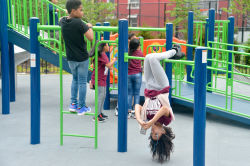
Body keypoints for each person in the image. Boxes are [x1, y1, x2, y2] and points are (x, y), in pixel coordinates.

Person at [135, 44, 185, 163]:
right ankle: (174, 51)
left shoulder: (147, 118)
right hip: (162, 87)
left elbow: (137, 106)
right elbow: (164, 109)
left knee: (147, 57)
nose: (153, 132)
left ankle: (173, 52)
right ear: (163, 132)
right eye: (156, 135)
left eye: (152, 135)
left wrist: (141, 121)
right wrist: (151, 122)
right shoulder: (165, 120)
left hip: (150, 87)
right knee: (153, 59)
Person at [59, 0, 93, 115]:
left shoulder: (63, 21)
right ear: (73, 11)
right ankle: (81, 107)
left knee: (75, 79)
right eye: (81, 9)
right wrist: (90, 27)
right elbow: (91, 37)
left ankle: (73, 104)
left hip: (70, 58)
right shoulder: (79, 23)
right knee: (82, 82)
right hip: (82, 58)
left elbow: (61, 18)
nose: (82, 12)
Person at [89, 43, 117, 122]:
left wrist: (111, 65)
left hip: (102, 78)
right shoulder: (102, 55)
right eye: (107, 45)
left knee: (103, 95)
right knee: (100, 96)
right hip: (99, 78)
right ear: (104, 46)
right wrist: (114, 60)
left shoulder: (103, 54)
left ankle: (100, 113)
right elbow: (108, 65)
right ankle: (96, 116)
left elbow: (107, 66)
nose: (108, 46)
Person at [115, 33, 138, 116]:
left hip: (132, 72)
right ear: (128, 40)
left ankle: (129, 109)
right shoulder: (124, 48)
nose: (136, 40)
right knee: (123, 90)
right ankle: (119, 108)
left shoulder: (135, 49)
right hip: (124, 73)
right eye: (134, 39)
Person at [127, 38, 143, 118]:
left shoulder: (128, 53)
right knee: (136, 93)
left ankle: (129, 111)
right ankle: (135, 112)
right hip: (137, 74)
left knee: (129, 93)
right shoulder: (140, 53)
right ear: (138, 46)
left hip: (128, 75)